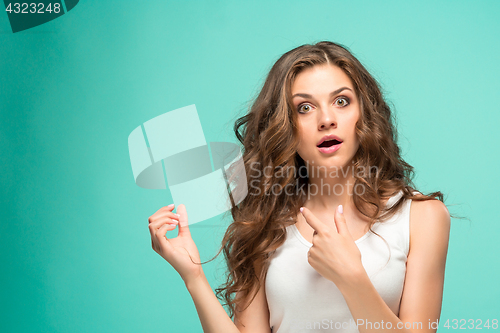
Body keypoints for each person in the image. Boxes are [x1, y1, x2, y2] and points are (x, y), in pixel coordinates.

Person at [147, 41, 451, 333]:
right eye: (304, 107)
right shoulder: (265, 221)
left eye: (341, 101)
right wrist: (194, 277)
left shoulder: (421, 217)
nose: (326, 119)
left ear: (364, 113)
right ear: (284, 126)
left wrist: (351, 279)